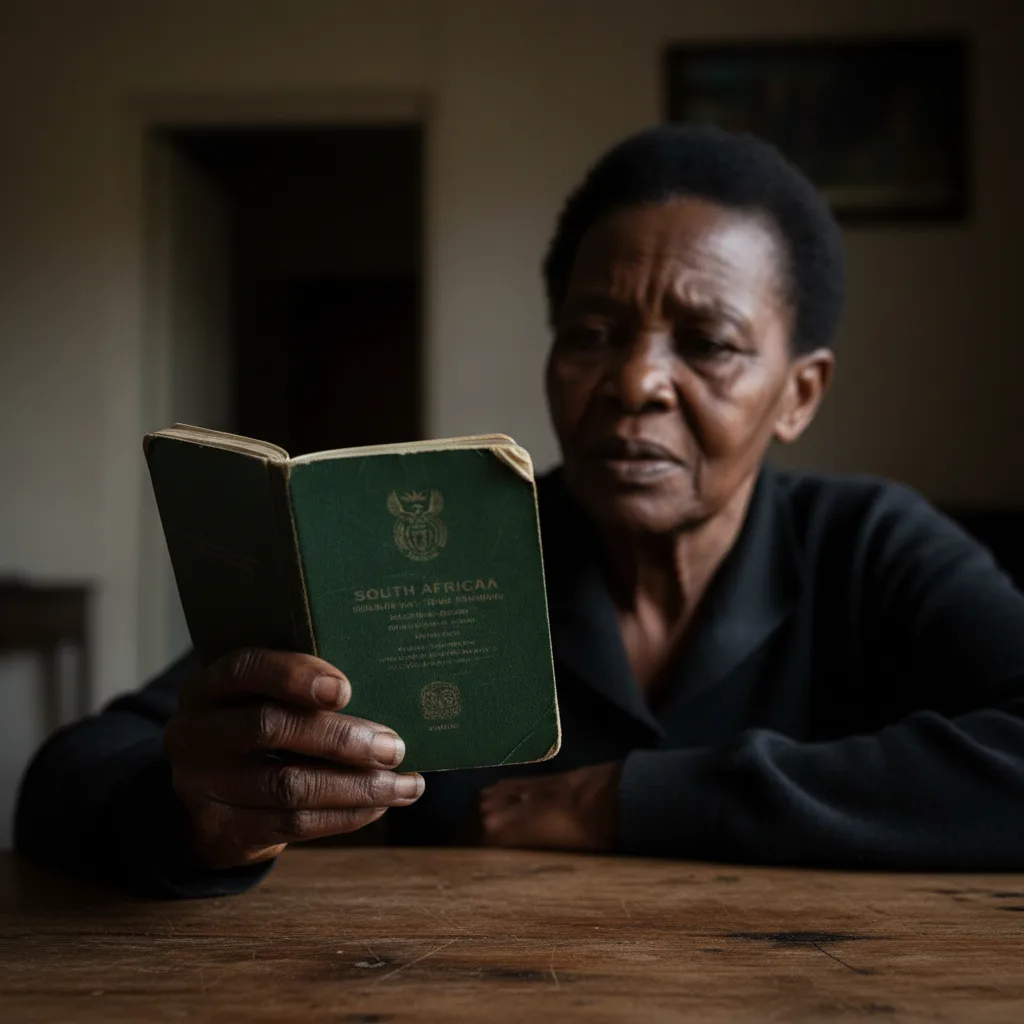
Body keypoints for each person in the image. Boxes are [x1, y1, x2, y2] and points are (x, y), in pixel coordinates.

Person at [16, 125, 1024, 898]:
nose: (635, 382)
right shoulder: (435, 544)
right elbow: (67, 777)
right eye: (592, 331)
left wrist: (624, 796)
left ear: (798, 393)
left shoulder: (872, 547)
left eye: (707, 342)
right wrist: (202, 809)